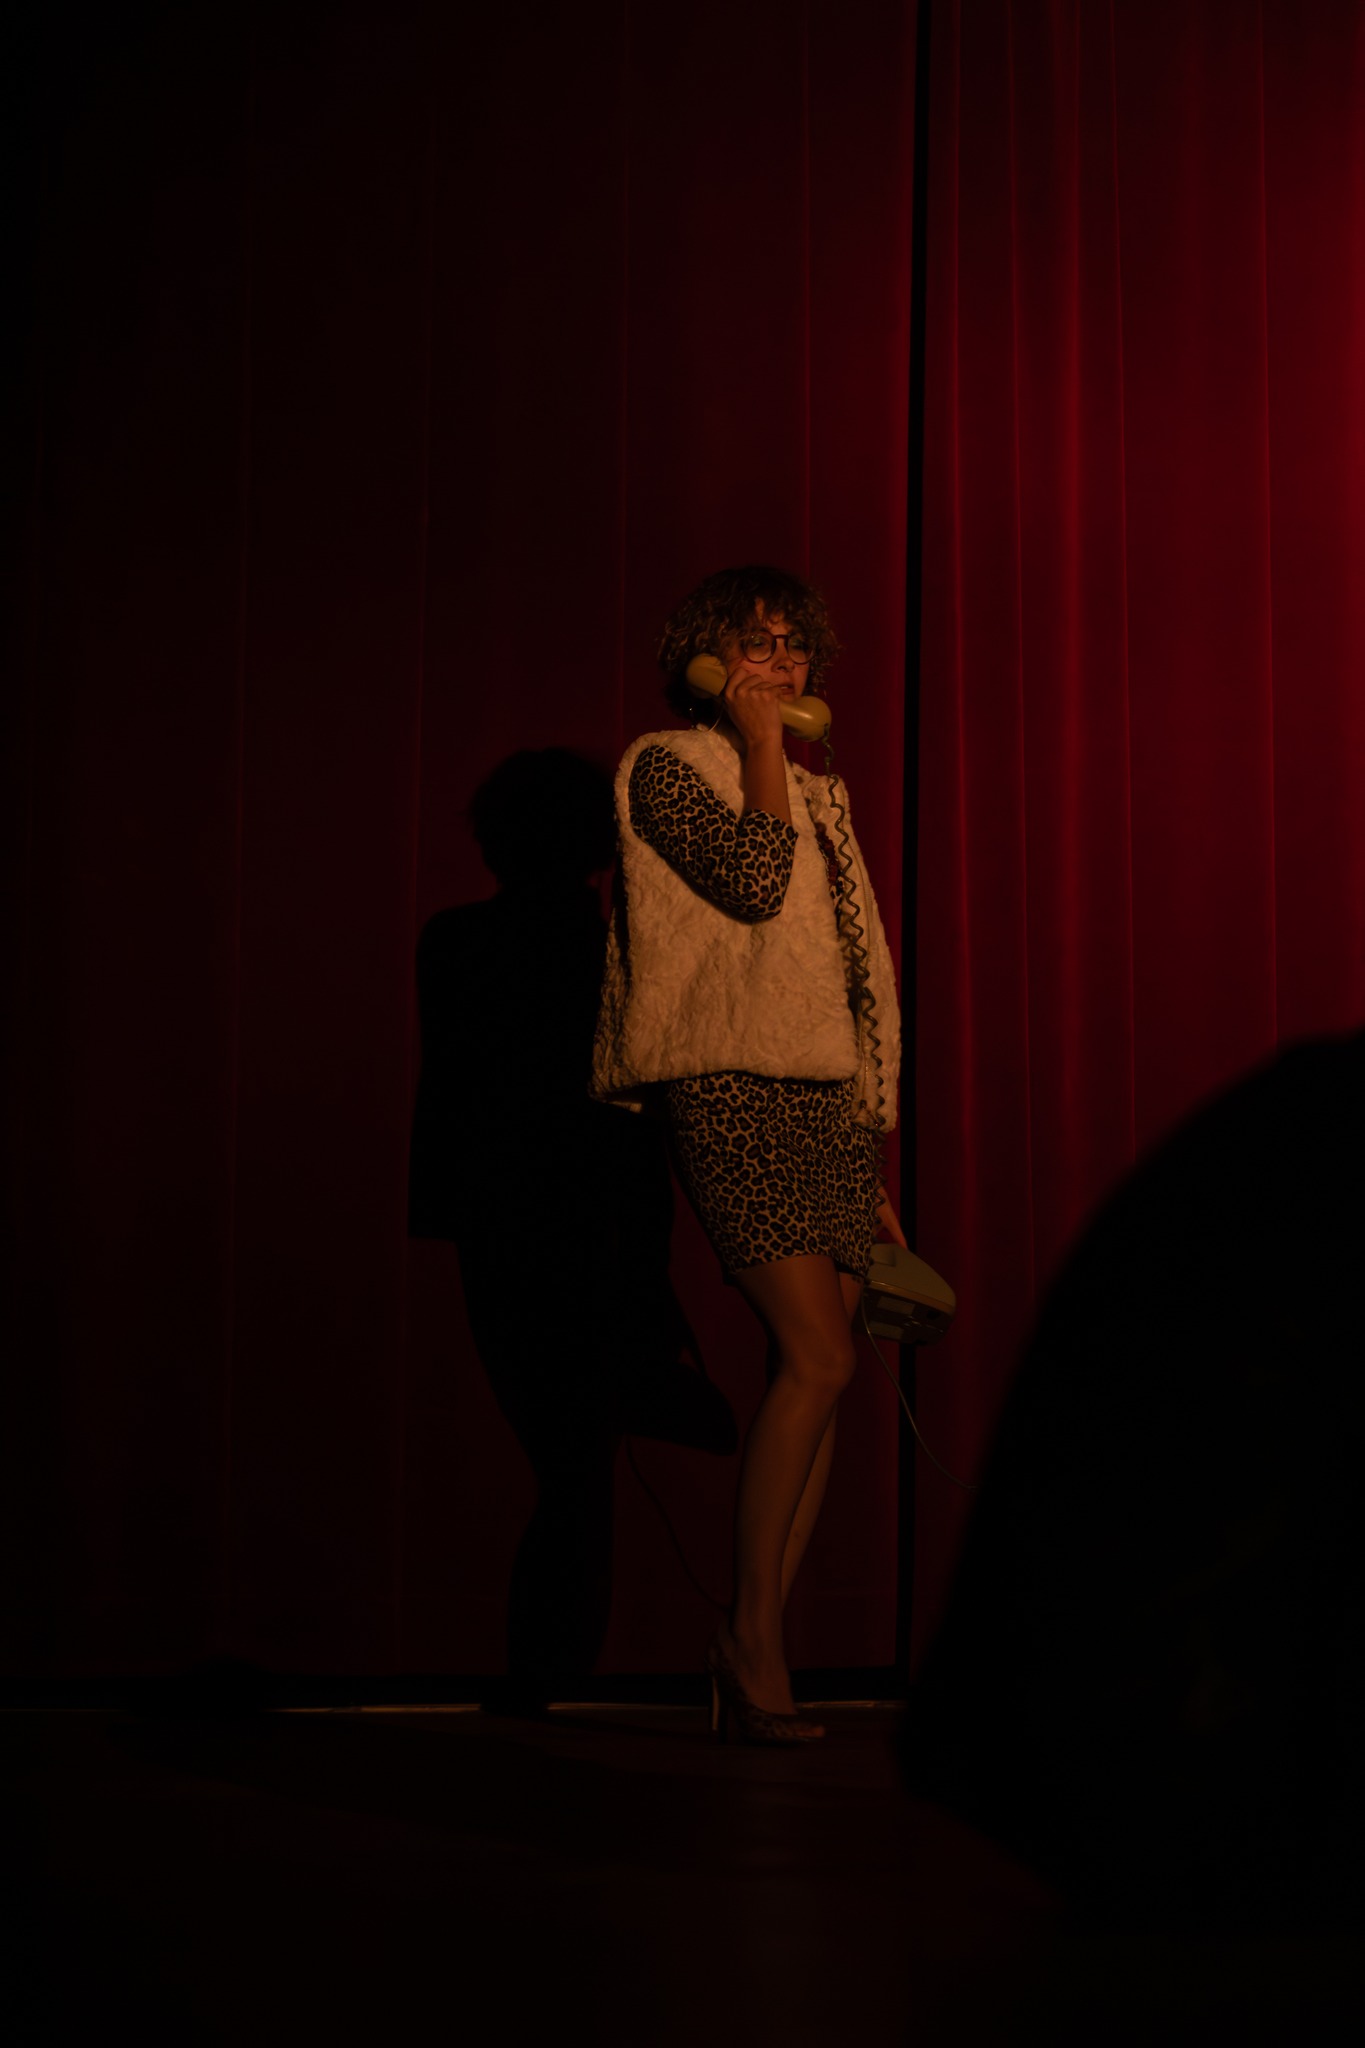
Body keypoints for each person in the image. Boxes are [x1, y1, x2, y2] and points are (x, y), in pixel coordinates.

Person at [592, 564, 904, 1744]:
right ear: (706, 662)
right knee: (818, 1354)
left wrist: (869, 1135)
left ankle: (757, 1632)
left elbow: (851, 977)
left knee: (826, 1370)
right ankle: (750, 1638)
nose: (779, 662)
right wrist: (764, 743)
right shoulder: (665, 765)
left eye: (793, 645)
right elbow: (755, 882)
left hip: (825, 1101)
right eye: (754, 643)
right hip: (728, 1087)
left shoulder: (822, 794)